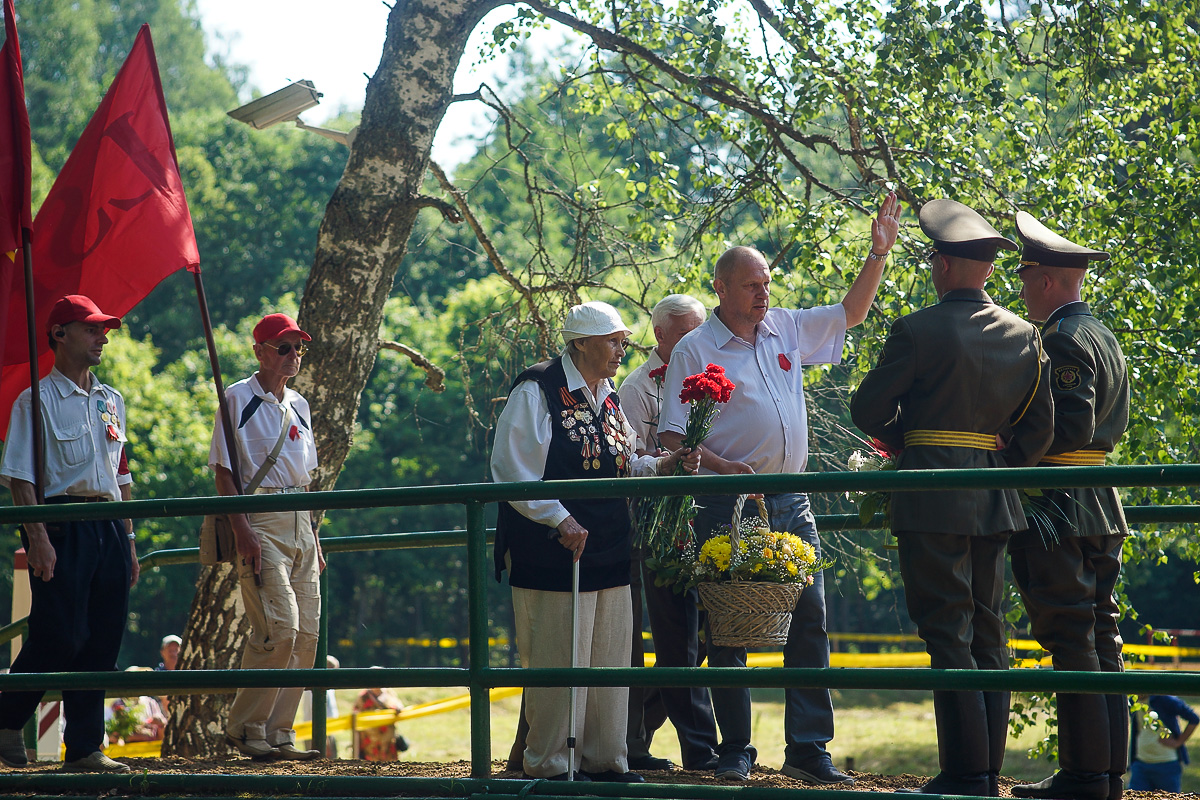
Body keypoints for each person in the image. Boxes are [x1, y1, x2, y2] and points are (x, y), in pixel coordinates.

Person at [658, 193, 902, 783]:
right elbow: (670, 441)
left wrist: (878, 254)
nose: (763, 294)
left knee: (811, 614)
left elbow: (851, 314)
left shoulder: (786, 327)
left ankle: (809, 748)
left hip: (791, 497)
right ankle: (736, 749)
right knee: (729, 622)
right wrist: (720, 467)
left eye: (766, 283)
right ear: (720, 288)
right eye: (750, 285)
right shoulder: (694, 348)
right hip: (726, 502)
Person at [850, 199, 1054, 797]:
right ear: (988, 270)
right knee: (990, 635)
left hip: (931, 497)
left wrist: (911, 442)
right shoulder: (1026, 335)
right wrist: (1000, 464)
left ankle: (965, 776)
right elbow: (1039, 431)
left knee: (947, 633)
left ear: (941, 265)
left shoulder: (917, 329)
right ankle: (986, 770)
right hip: (994, 500)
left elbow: (866, 410)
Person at [491, 301, 700, 783]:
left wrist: (665, 464)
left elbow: (625, 464)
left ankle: (606, 759)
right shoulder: (538, 388)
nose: (621, 350)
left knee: (608, 657)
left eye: (624, 341)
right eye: (613, 340)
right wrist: (560, 519)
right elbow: (512, 470)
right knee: (559, 657)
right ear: (581, 342)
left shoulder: (606, 395)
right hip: (551, 553)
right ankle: (550, 764)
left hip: (607, 547)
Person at [1007, 212, 1131, 800]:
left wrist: (1015, 445)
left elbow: (1071, 420)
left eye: (1027, 275)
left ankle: (1085, 778)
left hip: (1060, 498)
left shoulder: (1060, 339)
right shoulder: (1102, 334)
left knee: (1071, 634)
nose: (1022, 286)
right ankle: (1106, 774)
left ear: (1049, 280)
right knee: (1100, 634)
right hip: (1099, 499)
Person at [0, 294, 138, 774]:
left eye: (104, 330)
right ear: (59, 334)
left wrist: (130, 542)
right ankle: (7, 718)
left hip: (109, 525)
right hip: (61, 521)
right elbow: (20, 476)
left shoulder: (110, 399)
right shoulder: (34, 399)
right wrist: (37, 536)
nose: (103, 337)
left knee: (102, 637)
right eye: (92, 328)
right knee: (58, 633)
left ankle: (83, 749)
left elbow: (120, 477)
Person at [210, 313, 323, 761]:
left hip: (301, 523)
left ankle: (279, 732)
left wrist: (317, 536)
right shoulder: (235, 399)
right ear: (259, 351)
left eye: (298, 348)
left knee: (308, 635)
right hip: (260, 520)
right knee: (280, 628)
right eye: (284, 347)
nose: (293, 355)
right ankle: (246, 727)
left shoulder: (300, 403)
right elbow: (224, 472)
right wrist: (242, 530)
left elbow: (307, 477)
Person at [617, 293, 719, 771]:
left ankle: (645, 732)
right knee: (673, 636)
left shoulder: (713, 373)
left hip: (710, 516)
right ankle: (688, 748)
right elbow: (635, 459)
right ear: (660, 335)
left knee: (697, 634)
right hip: (661, 522)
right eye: (687, 333)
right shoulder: (636, 389)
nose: (698, 343)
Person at [1128, 694, 1198, 793]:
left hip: (1166, 764)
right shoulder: (1133, 701)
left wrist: (1178, 742)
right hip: (1140, 763)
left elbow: (1193, 718)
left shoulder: (1164, 699)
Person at [353, 682, 409, 761]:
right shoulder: (363, 697)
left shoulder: (389, 693)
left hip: (388, 739)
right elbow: (355, 714)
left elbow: (399, 706)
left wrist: (398, 709)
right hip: (370, 740)